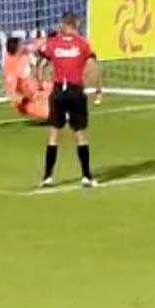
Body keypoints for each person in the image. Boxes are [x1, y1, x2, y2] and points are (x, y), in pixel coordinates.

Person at [38, 12, 101, 188]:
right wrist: (97, 89)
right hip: (75, 91)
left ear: (64, 25)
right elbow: (93, 66)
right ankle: (86, 176)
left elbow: (41, 65)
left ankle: (47, 177)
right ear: (75, 24)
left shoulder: (54, 43)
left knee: (53, 134)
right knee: (80, 134)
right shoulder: (82, 44)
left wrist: (41, 83)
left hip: (58, 91)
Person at [4, 37, 51, 120]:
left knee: (54, 87)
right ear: (17, 49)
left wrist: (49, 38)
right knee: (49, 112)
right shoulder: (11, 67)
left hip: (34, 89)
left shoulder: (23, 52)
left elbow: (36, 45)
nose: (24, 46)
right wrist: (30, 98)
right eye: (21, 45)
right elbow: (12, 93)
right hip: (26, 101)